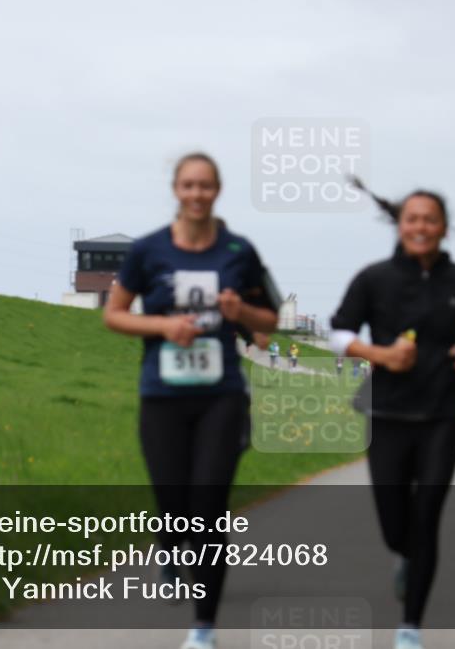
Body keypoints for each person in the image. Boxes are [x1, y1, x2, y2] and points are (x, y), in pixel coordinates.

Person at [103, 152, 279, 649]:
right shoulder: (147, 251)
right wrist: (162, 325)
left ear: (217, 190)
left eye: (206, 186)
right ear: (176, 190)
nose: (197, 194)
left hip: (221, 395)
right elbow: (115, 315)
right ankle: (172, 546)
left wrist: (239, 308)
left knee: (209, 506)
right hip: (162, 394)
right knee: (171, 501)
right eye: (188, 185)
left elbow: (269, 322)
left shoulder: (240, 251)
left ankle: (203, 628)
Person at [329, 186, 455, 649]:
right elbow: (339, 331)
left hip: (440, 414)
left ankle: (409, 628)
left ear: (444, 228)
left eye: (430, 219)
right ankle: (404, 556)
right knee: (394, 523)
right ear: (400, 224)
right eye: (413, 219)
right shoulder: (374, 279)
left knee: (426, 517)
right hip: (386, 413)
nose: (421, 227)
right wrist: (379, 354)